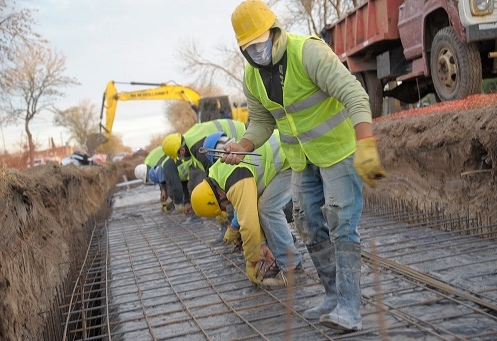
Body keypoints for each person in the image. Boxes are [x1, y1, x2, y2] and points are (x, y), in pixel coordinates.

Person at [222, 0, 386, 332]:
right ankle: (331, 297)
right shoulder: (253, 77)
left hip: (338, 151)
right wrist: (242, 145)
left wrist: (365, 142)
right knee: (308, 222)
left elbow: (354, 95)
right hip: (301, 159)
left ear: (273, 31)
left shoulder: (307, 52)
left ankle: (349, 307)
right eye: (248, 47)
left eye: (260, 42)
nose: (257, 51)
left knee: (341, 223)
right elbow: (261, 122)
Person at [191, 130, 301, 285]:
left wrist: (252, 261)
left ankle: (292, 265)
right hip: (282, 155)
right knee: (263, 208)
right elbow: (246, 211)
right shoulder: (217, 174)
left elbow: (249, 224)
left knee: (268, 209)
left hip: (289, 155)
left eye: (221, 207)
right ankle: (284, 256)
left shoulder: (235, 181)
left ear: (217, 198)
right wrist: (261, 244)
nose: (225, 208)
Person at [162, 119, 247, 224]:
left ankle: (236, 225)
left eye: (179, 156)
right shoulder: (191, 139)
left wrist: (221, 207)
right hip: (241, 136)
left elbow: (217, 173)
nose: (181, 158)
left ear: (182, 151)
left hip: (243, 138)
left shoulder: (197, 148)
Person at [134, 146, 190, 214]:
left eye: (147, 178)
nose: (149, 179)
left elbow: (165, 175)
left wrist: (166, 192)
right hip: (175, 156)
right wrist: (163, 190)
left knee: (176, 185)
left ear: (146, 173)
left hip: (179, 156)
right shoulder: (149, 164)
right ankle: (182, 203)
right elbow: (160, 177)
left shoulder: (155, 164)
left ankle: (183, 204)